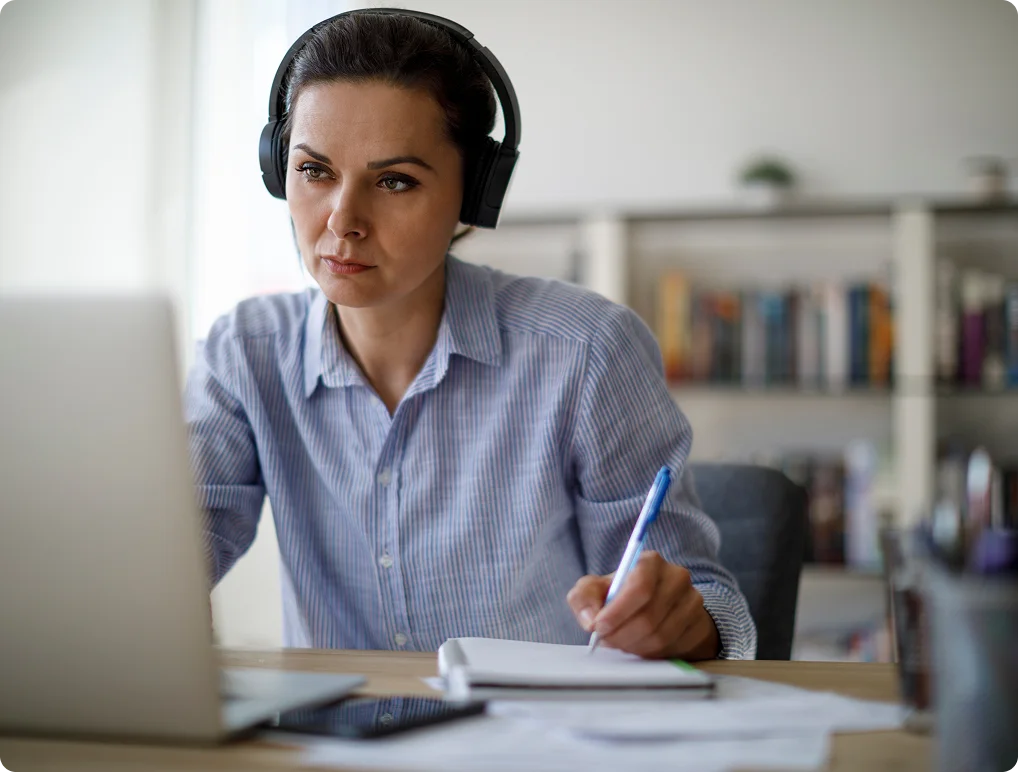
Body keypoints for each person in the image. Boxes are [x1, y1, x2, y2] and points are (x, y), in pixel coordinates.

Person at [187, 9, 756, 661]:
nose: (342, 222)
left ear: (474, 195)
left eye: (394, 181)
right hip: (333, 753)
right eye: (314, 171)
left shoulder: (586, 352)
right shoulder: (242, 355)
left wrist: (682, 621)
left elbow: (704, 599)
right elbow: (166, 554)